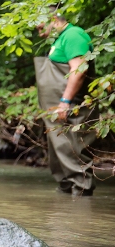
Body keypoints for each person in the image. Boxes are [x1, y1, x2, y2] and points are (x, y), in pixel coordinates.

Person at [35, 11, 96, 196]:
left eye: (40, 26)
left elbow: (78, 70)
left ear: (53, 20)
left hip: (70, 108)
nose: (38, 32)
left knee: (73, 149)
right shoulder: (59, 39)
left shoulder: (73, 35)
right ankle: (65, 199)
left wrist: (64, 102)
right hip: (55, 113)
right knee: (59, 153)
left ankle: (82, 198)